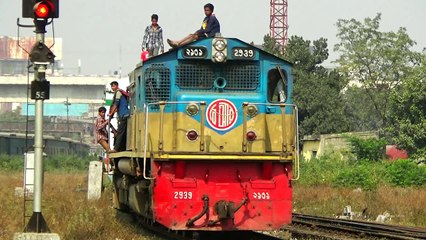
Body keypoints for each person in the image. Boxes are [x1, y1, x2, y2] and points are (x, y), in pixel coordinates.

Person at [109, 81, 130, 152]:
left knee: (120, 132)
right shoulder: (118, 92)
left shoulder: (118, 93)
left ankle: (116, 149)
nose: (112, 87)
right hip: (123, 114)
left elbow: (116, 104)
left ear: (117, 86)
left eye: (113, 86)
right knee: (123, 132)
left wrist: (111, 113)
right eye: (112, 86)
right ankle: (122, 148)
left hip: (123, 115)